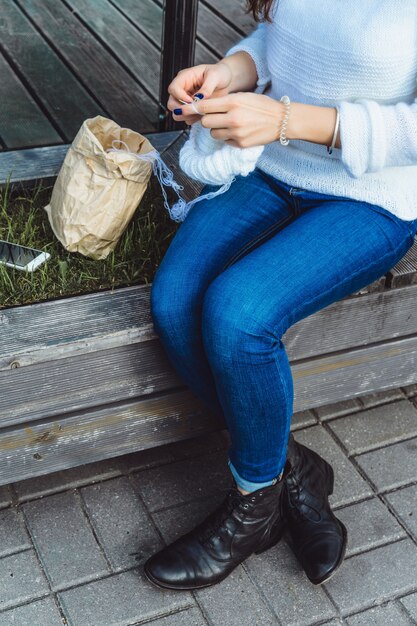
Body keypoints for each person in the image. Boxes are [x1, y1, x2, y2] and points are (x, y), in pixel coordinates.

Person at [144, 0, 417, 590]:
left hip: (371, 194)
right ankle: (289, 472)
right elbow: (281, 40)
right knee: (173, 302)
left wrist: (287, 119)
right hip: (272, 168)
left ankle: (251, 508)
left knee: (238, 316)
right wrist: (231, 71)